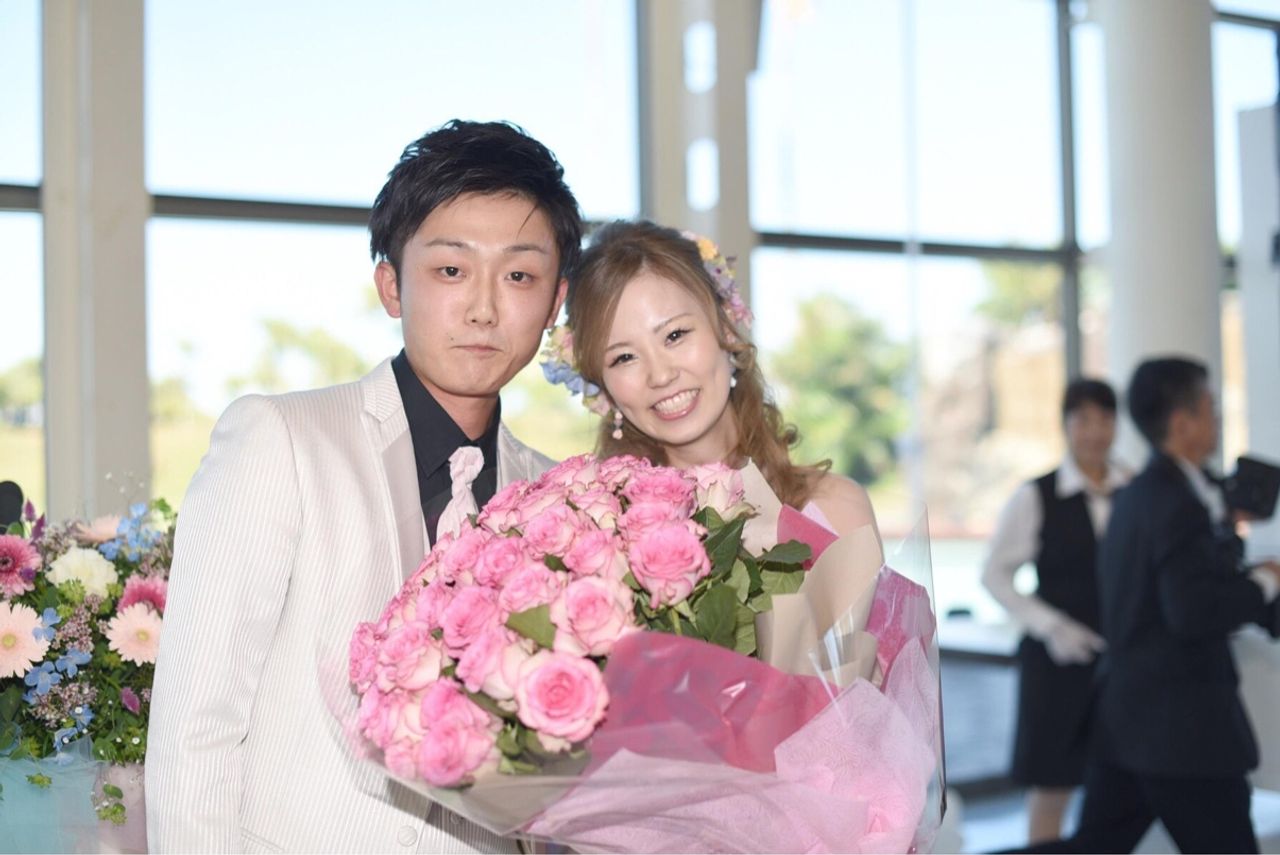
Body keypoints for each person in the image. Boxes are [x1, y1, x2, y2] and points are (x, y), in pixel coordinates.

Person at [146, 120, 582, 853]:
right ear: (391, 284)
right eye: (451, 270)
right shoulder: (281, 441)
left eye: (519, 276)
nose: (483, 307)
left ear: (556, 299)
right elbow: (197, 727)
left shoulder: (559, 499)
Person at [1024, 356, 1280, 854]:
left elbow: (1176, 591)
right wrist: (1266, 582)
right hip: (1184, 734)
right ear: (1182, 423)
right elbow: (1193, 610)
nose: (1218, 418)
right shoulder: (1175, 501)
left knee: (1093, 847)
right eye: (1210, 407)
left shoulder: (1142, 493)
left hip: (1129, 723)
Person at [553, 219, 877, 537]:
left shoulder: (836, 511)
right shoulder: (597, 537)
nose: (661, 375)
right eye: (624, 357)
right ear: (602, 385)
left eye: (675, 335)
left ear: (726, 327)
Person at [981, 379, 1129, 843]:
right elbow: (995, 575)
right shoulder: (1036, 495)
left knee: (1119, 788)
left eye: (1105, 419)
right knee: (1051, 787)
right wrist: (1050, 626)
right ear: (1065, 425)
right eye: (1083, 419)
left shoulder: (1134, 489)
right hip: (1055, 663)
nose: (1095, 432)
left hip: (1122, 663)